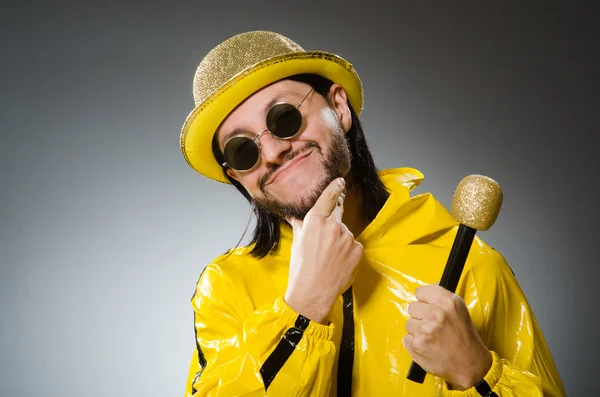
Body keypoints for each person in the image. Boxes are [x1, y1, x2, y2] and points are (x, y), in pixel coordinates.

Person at [180, 31, 565, 397]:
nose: (272, 151)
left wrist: (478, 373)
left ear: (339, 107)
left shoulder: (470, 267)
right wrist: (303, 308)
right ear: (239, 177)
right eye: (242, 150)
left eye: (284, 118)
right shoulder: (226, 289)